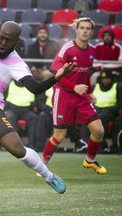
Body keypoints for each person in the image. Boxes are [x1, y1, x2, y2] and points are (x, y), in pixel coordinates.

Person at [0, 21, 76, 205]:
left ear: (16, 41)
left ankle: (49, 176)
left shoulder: (16, 63)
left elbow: (35, 88)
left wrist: (57, 77)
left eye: (8, 40)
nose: (3, 43)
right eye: (2, 37)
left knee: (16, 148)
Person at [41, 17, 107, 174]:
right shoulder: (67, 48)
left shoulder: (92, 50)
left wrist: (89, 92)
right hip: (63, 94)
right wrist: (74, 86)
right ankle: (42, 165)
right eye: (82, 28)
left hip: (81, 97)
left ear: (92, 31)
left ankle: (89, 160)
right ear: (76, 30)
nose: (84, 31)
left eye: (88, 28)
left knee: (99, 131)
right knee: (59, 135)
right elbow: (56, 72)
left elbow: (85, 73)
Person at [78, 69, 122, 154]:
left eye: (107, 78)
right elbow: (88, 102)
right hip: (96, 111)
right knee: (85, 120)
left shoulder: (117, 87)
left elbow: (120, 105)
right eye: (103, 78)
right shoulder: (95, 87)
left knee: (99, 119)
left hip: (110, 112)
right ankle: (86, 144)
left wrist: (108, 109)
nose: (105, 80)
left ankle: (100, 145)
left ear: (111, 78)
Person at [4, 80, 39, 151]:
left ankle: (32, 144)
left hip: (26, 110)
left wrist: (34, 105)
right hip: (12, 109)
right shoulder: (9, 84)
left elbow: (36, 99)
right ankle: (14, 144)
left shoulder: (30, 84)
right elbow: (3, 97)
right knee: (10, 117)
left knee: (34, 117)